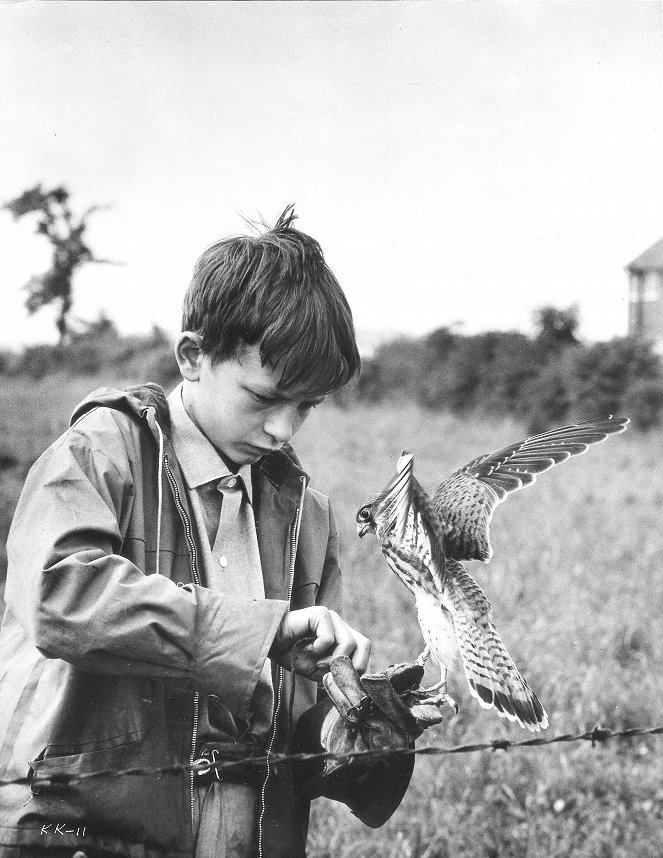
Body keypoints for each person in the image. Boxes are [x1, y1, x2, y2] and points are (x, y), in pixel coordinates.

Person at [0, 208, 424, 858]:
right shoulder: (101, 452)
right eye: (262, 399)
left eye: (306, 405)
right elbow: (58, 596)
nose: (284, 430)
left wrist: (361, 721)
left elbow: (291, 740)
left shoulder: (305, 515)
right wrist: (258, 632)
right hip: (83, 836)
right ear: (193, 356)